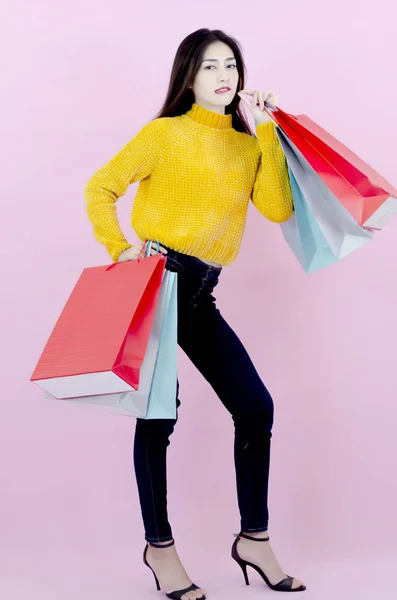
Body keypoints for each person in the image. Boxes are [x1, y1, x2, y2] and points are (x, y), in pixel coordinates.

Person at [84, 27, 306, 600]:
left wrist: (270, 133)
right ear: (187, 76)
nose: (222, 75)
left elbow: (278, 208)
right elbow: (101, 187)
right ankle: (160, 550)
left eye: (229, 65)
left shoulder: (245, 142)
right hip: (155, 283)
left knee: (255, 407)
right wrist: (120, 247)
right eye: (207, 66)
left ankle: (253, 539)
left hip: (200, 292)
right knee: (159, 415)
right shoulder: (164, 134)